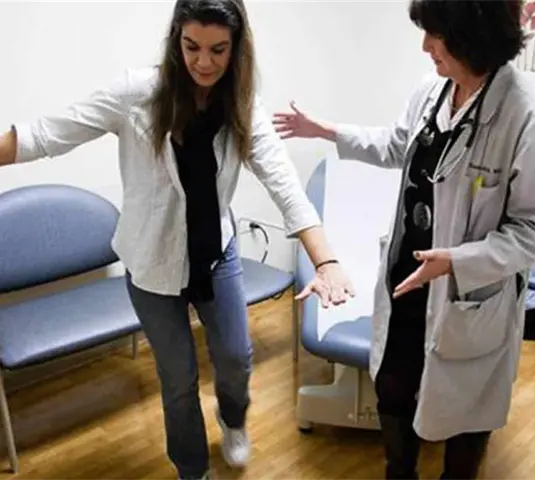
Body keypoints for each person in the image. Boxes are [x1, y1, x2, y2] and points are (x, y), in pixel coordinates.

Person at [0, 0, 354, 479]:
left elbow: (287, 189)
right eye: (191, 47)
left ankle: (233, 420)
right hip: (152, 265)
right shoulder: (137, 94)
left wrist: (326, 261)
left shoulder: (241, 105)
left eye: (218, 50)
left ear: (237, 49)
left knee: (236, 359)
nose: (203, 62)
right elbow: (43, 136)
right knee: (178, 379)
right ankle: (192, 469)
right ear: (176, 41)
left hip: (215, 256)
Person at [272, 0, 535, 478]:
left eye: (436, 33)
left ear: (473, 33)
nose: (425, 45)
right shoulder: (433, 90)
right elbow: (397, 144)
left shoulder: (525, 116)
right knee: (393, 385)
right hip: (407, 279)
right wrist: (327, 131)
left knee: (467, 413)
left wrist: (459, 261)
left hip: (465, 293)